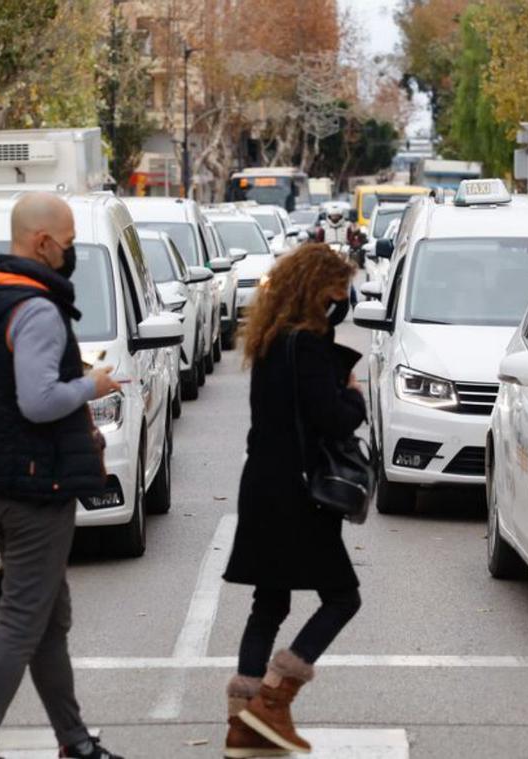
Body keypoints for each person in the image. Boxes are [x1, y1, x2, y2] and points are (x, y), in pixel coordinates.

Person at [0, 193, 123, 759]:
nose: (70, 253)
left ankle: (74, 742)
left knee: (48, 619)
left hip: (4, 482)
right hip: (37, 486)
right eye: (69, 243)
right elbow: (39, 400)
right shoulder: (38, 310)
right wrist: (90, 386)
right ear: (42, 243)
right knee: (23, 625)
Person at [222, 243, 365, 758]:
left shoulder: (269, 340)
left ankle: (242, 727)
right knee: (343, 597)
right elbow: (331, 417)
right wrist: (353, 394)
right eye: (338, 291)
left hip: (263, 483)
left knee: (270, 603)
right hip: (297, 493)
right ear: (315, 289)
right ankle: (273, 701)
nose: (342, 301)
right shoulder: (306, 344)